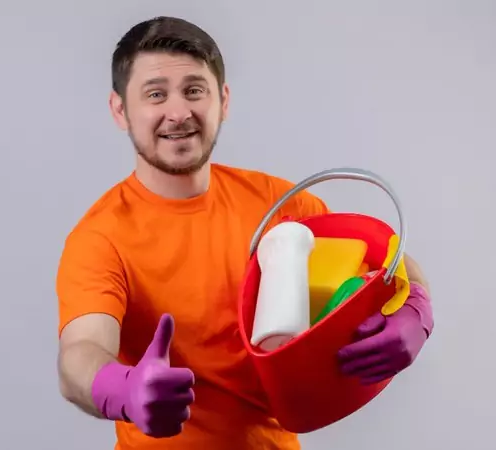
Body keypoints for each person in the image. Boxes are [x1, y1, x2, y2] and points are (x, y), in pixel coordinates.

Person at [56, 16, 434, 450]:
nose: (178, 112)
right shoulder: (101, 237)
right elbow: (78, 354)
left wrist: (416, 312)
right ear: (120, 110)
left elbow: (389, 260)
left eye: (194, 90)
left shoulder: (282, 206)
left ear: (224, 100)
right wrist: (121, 389)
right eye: (155, 94)